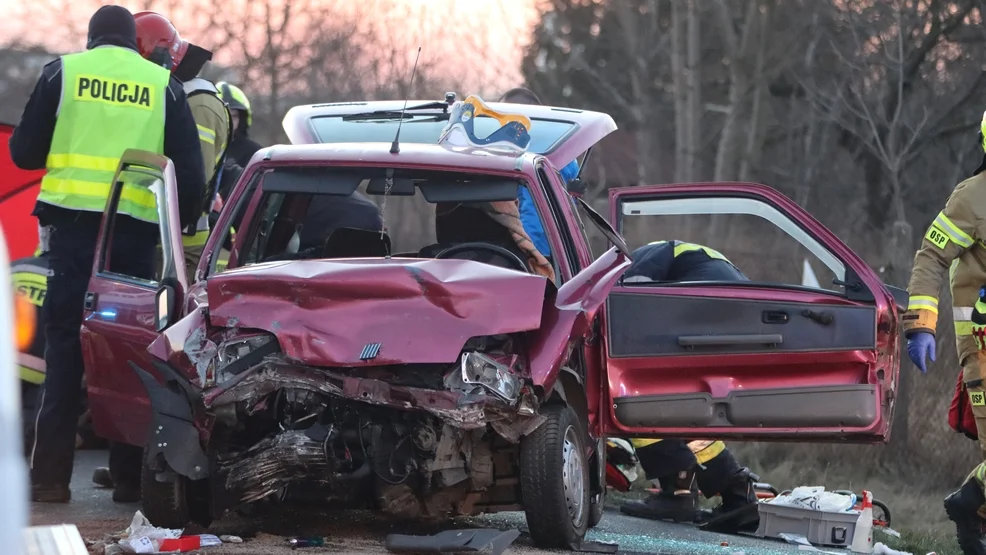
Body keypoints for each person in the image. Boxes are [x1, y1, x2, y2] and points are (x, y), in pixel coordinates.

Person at [10, 5, 204, 503]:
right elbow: (192, 178)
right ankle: (125, 479)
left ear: (92, 39)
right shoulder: (164, 86)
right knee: (125, 352)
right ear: (134, 42)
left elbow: (24, 154)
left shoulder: (64, 72)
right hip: (132, 241)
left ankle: (49, 479)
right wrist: (178, 227)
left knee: (64, 351)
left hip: (73, 238)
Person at [617, 241, 758, 528]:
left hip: (703, 314)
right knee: (685, 412)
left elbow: (627, 309)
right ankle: (738, 496)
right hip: (734, 327)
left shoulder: (636, 263)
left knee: (637, 402)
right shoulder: (686, 255)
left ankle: (677, 492)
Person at [906, 113, 986, 555]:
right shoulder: (973, 197)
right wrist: (922, 324)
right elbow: (933, 255)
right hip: (982, 343)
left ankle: (968, 505)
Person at [133, 11, 232, 278]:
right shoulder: (175, 94)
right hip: (158, 238)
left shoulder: (198, 103)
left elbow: (192, 179)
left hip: (181, 245)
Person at [497, 87, 580, 260]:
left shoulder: (525, 156)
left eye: (502, 117)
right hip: (562, 252)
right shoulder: (563, 152)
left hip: (531, 255)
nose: (499, 124)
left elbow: (535, 213)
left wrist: (528, 254)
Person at [217, 82, 262, 167]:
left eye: (234, 116)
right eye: (224, 116)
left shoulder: (255, 154)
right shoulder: (202, 149)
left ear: (242, 120)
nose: (229, 122)